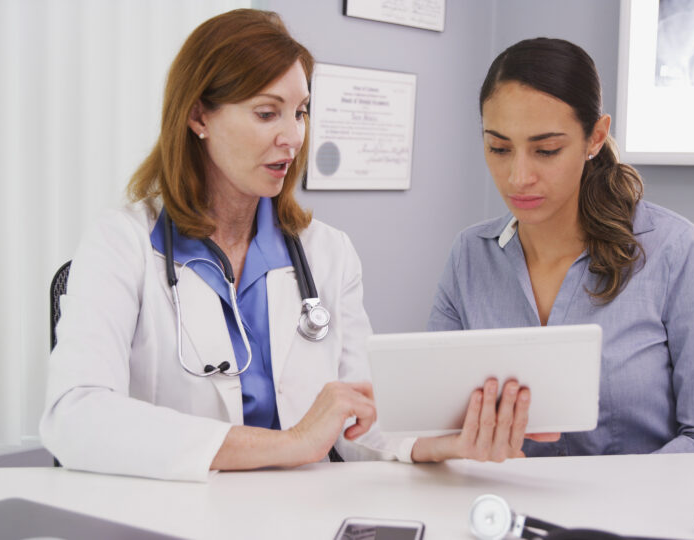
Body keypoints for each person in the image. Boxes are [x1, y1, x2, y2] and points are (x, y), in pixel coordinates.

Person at [40, 9, 532, 482]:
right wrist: (292, 443)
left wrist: (438, 443)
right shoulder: (121, 244)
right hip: (179, 515)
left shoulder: (328, 254)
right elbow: (75, 415)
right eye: (266, 113)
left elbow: (362, 420)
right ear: (198, 117)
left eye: (300, 112)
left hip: (302, 515)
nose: (293, 136)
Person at [428, 38, 694, 456]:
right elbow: (431, 423)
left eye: (547, 150)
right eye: (499, 148)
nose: (518, 177)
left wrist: (606, 501)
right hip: (499, 512)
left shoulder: (674, 249)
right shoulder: (470, 253)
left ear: (595, 138)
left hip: (636, 514)